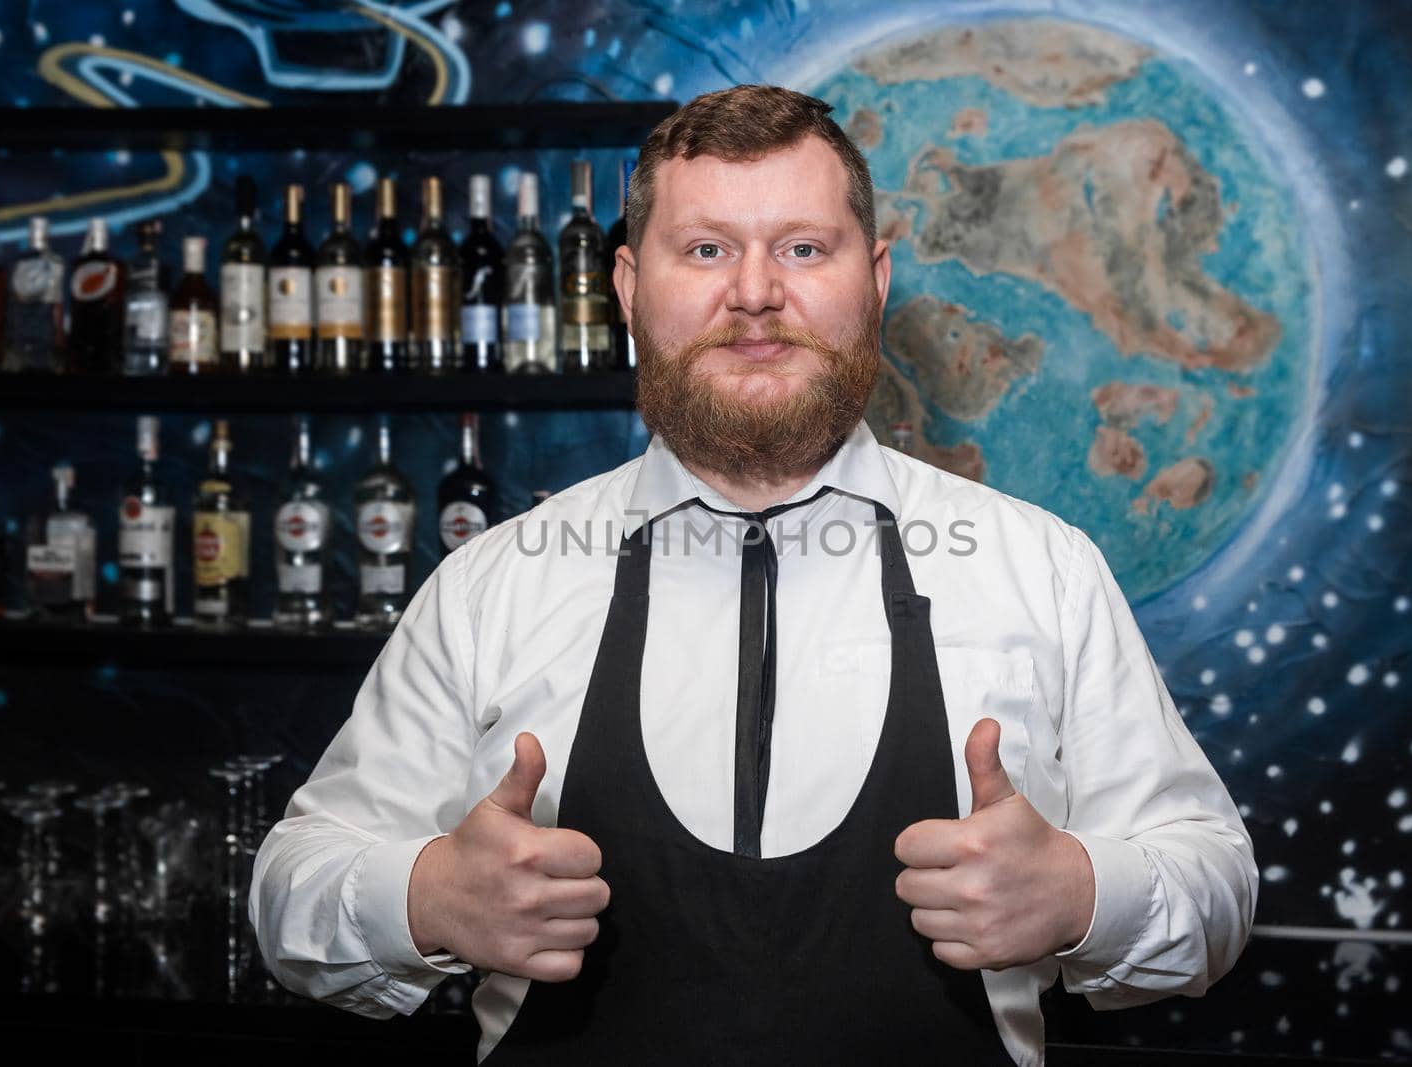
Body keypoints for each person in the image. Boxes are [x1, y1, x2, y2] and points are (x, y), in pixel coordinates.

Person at [251, 84, 1256, 1065]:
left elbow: (1214, 882)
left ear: (878, 278)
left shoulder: (1041, 568)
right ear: (628, 286)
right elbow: (291, 891)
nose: (755, 293)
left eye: (804, 247)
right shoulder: (493, 584)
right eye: (705, 249)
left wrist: (1084, 892)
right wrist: (425, 896)